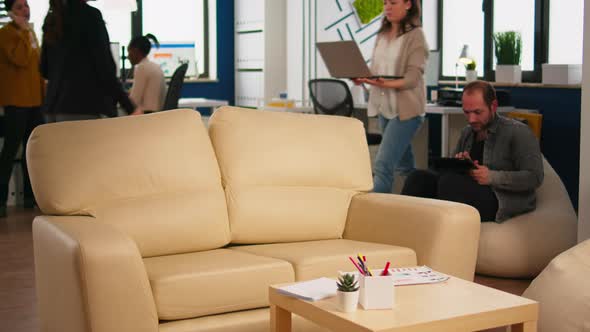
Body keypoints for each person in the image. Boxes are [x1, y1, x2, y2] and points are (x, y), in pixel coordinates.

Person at [402, 80, 544, 222]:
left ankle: (447, 236)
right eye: (466, 112)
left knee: (449, 182)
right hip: (468, 189)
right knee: (417, 178)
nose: (471, 119)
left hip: (500, 197)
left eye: (477, 112)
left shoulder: (518, 132)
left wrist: (492, 176)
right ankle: (405, 233)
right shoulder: (467, 133)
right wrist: (461, 165)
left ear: (493, 106)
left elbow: (535, 177)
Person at [354, 0, 428, 194]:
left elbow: (412, 78)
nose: (387, 7)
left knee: (382, 165)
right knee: (404, 166)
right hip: (384, 106)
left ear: (408, 5)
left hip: (406, 111)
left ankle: (374, 211)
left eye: (393, 2)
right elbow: (376, 70)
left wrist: (382, 83)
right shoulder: (382, 34)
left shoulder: (415, 36)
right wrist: (364, 78)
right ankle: (416, 199)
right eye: (385, 2)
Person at [40, 0, 138, 122]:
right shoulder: (90, 16)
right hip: (82, 107)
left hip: (52, 109)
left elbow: (44, 69)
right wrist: (129, 106)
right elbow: (105, 69)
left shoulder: (52, 18)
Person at [0, 0, 45, 217]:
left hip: (35, 101)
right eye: (19, 7)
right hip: (16, 101)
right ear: (10, 12)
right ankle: (1, 200)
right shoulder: (6, 33)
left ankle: (30, 197)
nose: (25, 10)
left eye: (26, 5)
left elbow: (37, 65)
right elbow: (19, 58)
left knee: (32, 153)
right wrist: (24, 34)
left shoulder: (31, 33)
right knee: (9, 151)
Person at [127, 33, 166, 113]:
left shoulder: (141, 68)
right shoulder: (155, 66)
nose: (128, 57)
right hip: (157, 114)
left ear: (135, 51)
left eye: (129, 52)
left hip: (146, 115)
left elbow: (134, 100)